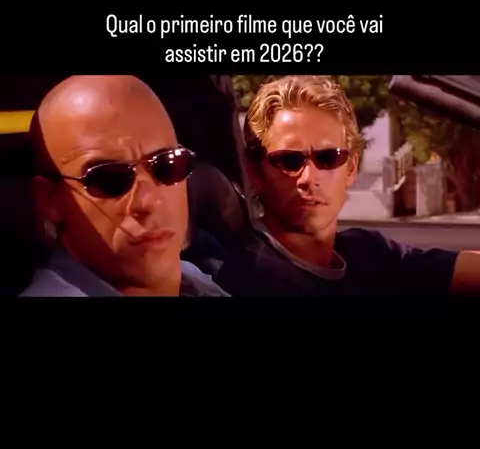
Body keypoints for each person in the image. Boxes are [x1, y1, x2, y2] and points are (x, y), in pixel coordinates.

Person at [216, 75, 480, 296]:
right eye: (289, 160)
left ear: (351, 168)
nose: (309, 177)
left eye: (328, 158)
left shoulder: (367, 253)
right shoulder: (250, 277)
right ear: (254, 172)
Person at [20, 75, 229, 297]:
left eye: (168, 165)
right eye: (110, 178)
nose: (150, 201)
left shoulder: (196, 278)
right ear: (49, 199)